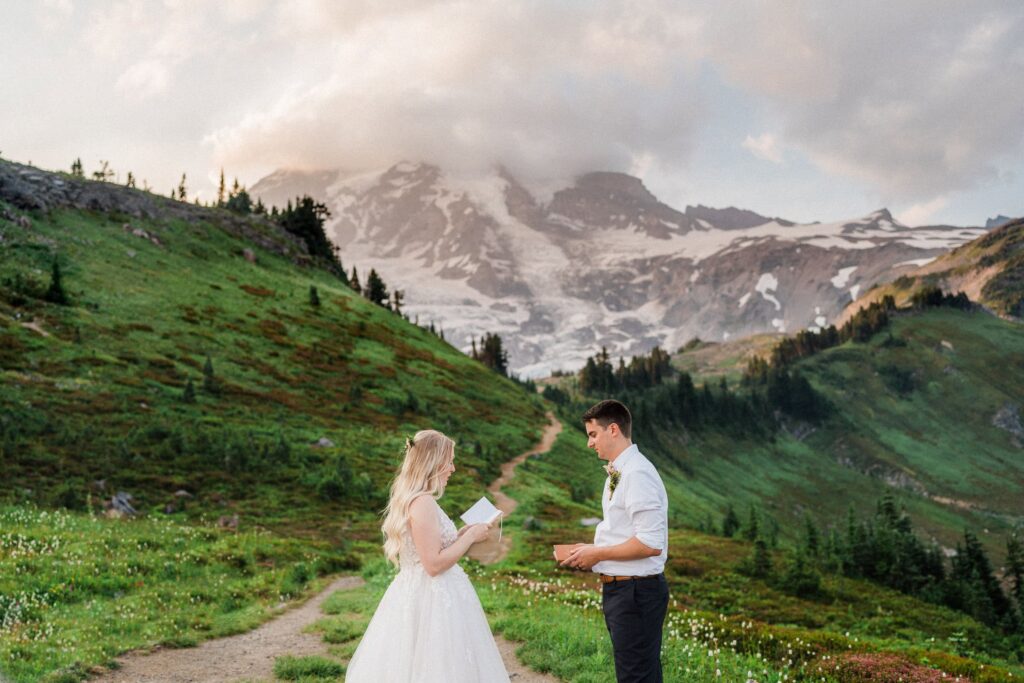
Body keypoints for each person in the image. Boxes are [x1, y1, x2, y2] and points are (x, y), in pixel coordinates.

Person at [345, 430, 509, 682]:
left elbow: (429, 550)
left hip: (423, 592)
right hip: (430, 599)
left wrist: (461, 534)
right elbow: (432, 565)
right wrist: (469, 538)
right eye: (450, 461)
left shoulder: (421, 500)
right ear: (434, 462)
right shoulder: (422, 503)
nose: (453, 468)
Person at [561, 400, 669, 683]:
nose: (588, 443)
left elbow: (650, 543)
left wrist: (597, 554)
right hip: (626, 590)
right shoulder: (621, 470)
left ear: (613, 430)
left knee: (635, 676)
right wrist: (591, 550)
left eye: (592, 434)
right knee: (638, 673)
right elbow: (622, 530)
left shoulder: (637, 473)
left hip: (636, 592)